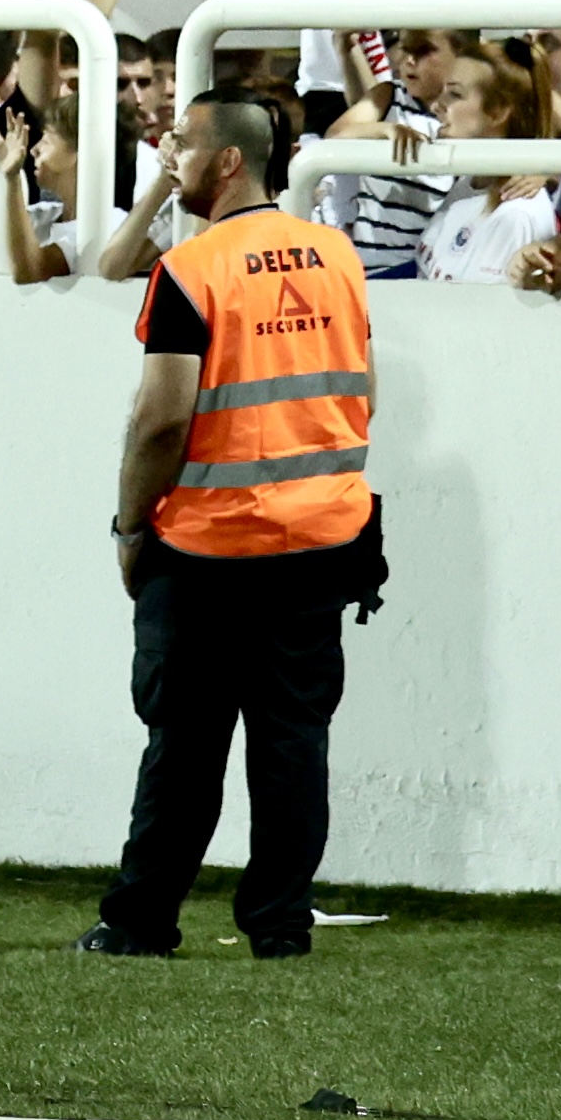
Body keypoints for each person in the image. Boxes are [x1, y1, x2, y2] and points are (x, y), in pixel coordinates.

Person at [78, 90, 383, 961]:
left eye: (180, 144)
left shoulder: (193, 267)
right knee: (293, 748)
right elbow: (361, 388)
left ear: (227, 162)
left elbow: (161, 421)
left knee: (184, 749)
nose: (169, 156)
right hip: (322, 536)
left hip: (208, 544)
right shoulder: (337, 257)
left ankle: (140, 924)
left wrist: (132, 528)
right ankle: (280, 927)